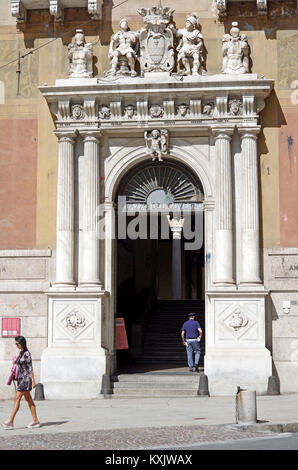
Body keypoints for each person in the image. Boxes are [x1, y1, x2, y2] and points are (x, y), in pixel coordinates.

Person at [2, 336, 40, 429]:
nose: (16, 345)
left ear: (22, 343)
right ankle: (35, 421)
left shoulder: (27, 354)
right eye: (15, 344)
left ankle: (10, 421)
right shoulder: (21, 353)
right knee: (29, 400)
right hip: (20, 379)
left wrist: (33, 381)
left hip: (25, 380)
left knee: (17, 398)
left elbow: (30, 368)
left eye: (17, 344)